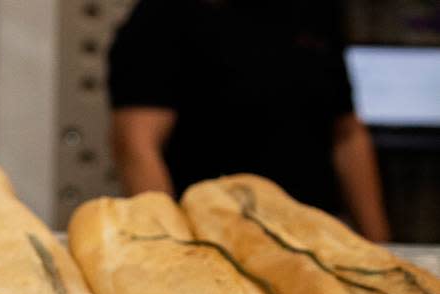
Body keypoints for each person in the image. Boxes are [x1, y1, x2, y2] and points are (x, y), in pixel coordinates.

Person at [108, 0, 391, 241]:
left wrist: (379, 245)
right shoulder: (165, 12)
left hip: (314, 234)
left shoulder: (315, 9)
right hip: (213, 237)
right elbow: (137, 146)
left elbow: (348, 135)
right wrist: (171, 246)